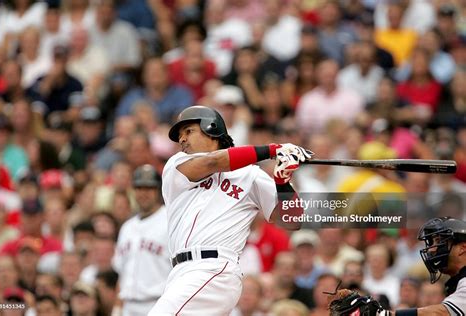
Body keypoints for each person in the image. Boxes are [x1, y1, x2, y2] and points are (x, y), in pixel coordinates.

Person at [148, 105, 312, 315]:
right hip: (180, 273)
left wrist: (282, 182)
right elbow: (214, 161)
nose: (182, 139)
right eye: (180, 135)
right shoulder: (176, 165)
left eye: (188, 131)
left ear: (212, 128)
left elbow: (292, 220)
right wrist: (273, 150)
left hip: (214, 268)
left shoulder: (250, 175)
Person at [328, 217, 466, 316]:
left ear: (462, 248)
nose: (431, 250)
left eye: (439, 242)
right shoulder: (456, 283)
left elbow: (440, 313)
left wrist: (384, 315)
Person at [112, 164, 171, 316]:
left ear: (158, 190)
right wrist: (117, 308)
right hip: (128, 305)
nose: (143, 193)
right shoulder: (127, 227)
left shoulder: (170, 221)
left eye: (149, 188)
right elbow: (122, 272)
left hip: (158, 304)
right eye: (139, 188)